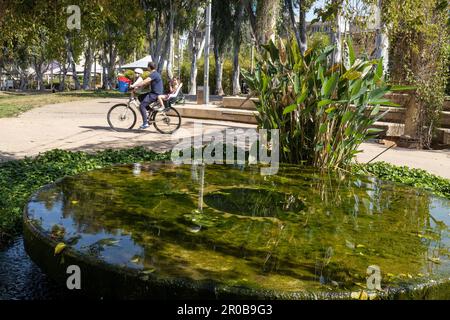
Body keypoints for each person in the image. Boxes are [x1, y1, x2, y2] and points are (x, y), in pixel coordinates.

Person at [131, 62, 164, 129]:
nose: (147, 68)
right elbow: (146, 84)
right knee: (140, 97)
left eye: (147, 67)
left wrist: (133, 85)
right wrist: (137, 88)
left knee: (142, 106)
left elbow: (144, 82)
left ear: (149, 67)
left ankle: (145, 123)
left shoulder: (154, 74)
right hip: (154, 93)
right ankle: (150, 111)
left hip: (155, 94)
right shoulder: (154, 74)